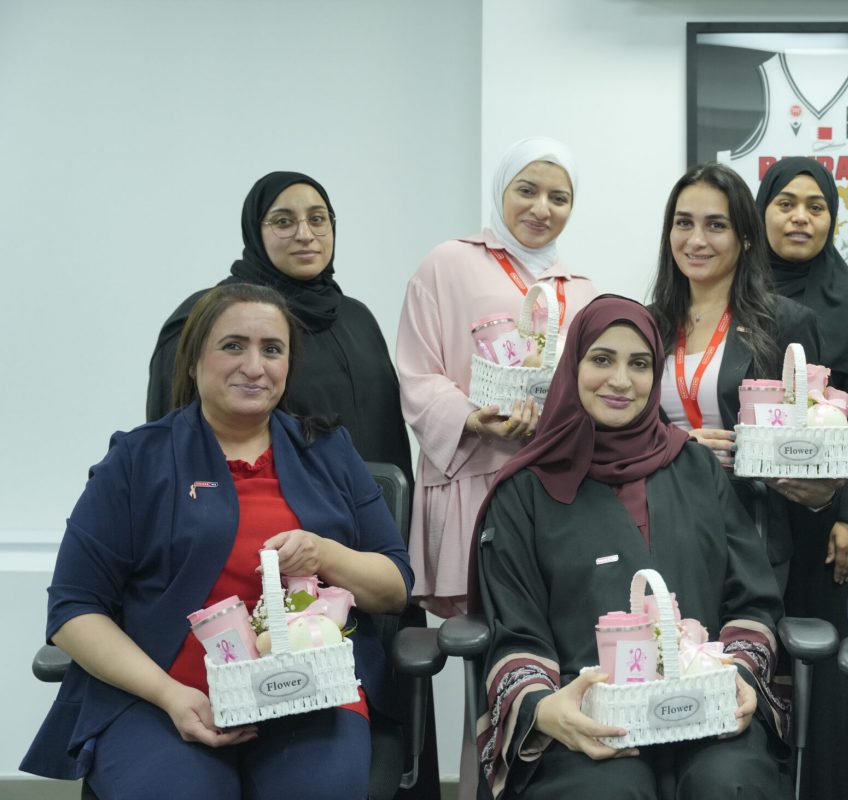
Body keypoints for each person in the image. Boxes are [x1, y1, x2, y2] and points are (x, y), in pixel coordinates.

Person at [23, 283, 413, 798]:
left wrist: (325, 554)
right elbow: (73, 610)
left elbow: (394, 586)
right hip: (165, 699)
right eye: (233, 346)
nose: (254, 366)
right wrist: (169, 696)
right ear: (192, 362)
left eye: (272, 349)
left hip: (310, 696)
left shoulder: (329, 451)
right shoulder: (138, 460)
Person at [472, 295, 789, 799]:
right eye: (601, 359)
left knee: (730, 783)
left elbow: (751, 601)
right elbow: (516, 632)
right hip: (585, 720)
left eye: (639, 364)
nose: (621, 380)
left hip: (703, 713)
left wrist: (740, 680)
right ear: (572, 366)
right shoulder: (524, 492)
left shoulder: (696, 468)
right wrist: (550, 710)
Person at [397, 136, 597, 622]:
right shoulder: (447, 263)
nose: (541, 208)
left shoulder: (585, 290)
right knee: (479, 632)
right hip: (474, 470)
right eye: (527, 190)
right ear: (501, 189)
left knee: (553, 628)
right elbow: (415, 372)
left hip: (555, 481)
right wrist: (474, 418)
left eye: (559, 197)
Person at [756, 156, 848, 799]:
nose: (800, 218)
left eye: (816, 207)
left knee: (822, 665)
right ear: (760, 212)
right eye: (786, 203)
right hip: (746, 520)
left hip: (824, 527)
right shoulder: (735, 297)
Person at [146, 171, 412, 486]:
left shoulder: (356, 318)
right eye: (283, 222)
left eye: (317, 219)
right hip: (264, 515)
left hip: (371, 512)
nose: (305, 234)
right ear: (255, 231)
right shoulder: (210, 317)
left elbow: (387, 433)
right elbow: (174, 439)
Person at [648, 162, 837, 590]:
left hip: (749, 536)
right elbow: (616, 433)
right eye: (684, 223)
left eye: (716, 225)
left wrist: (821, 490)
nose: (696, 240)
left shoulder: (785, 324)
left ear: (746, 238)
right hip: (656, 527)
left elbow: (814, 436)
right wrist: (677, 446)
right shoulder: (646, 326)